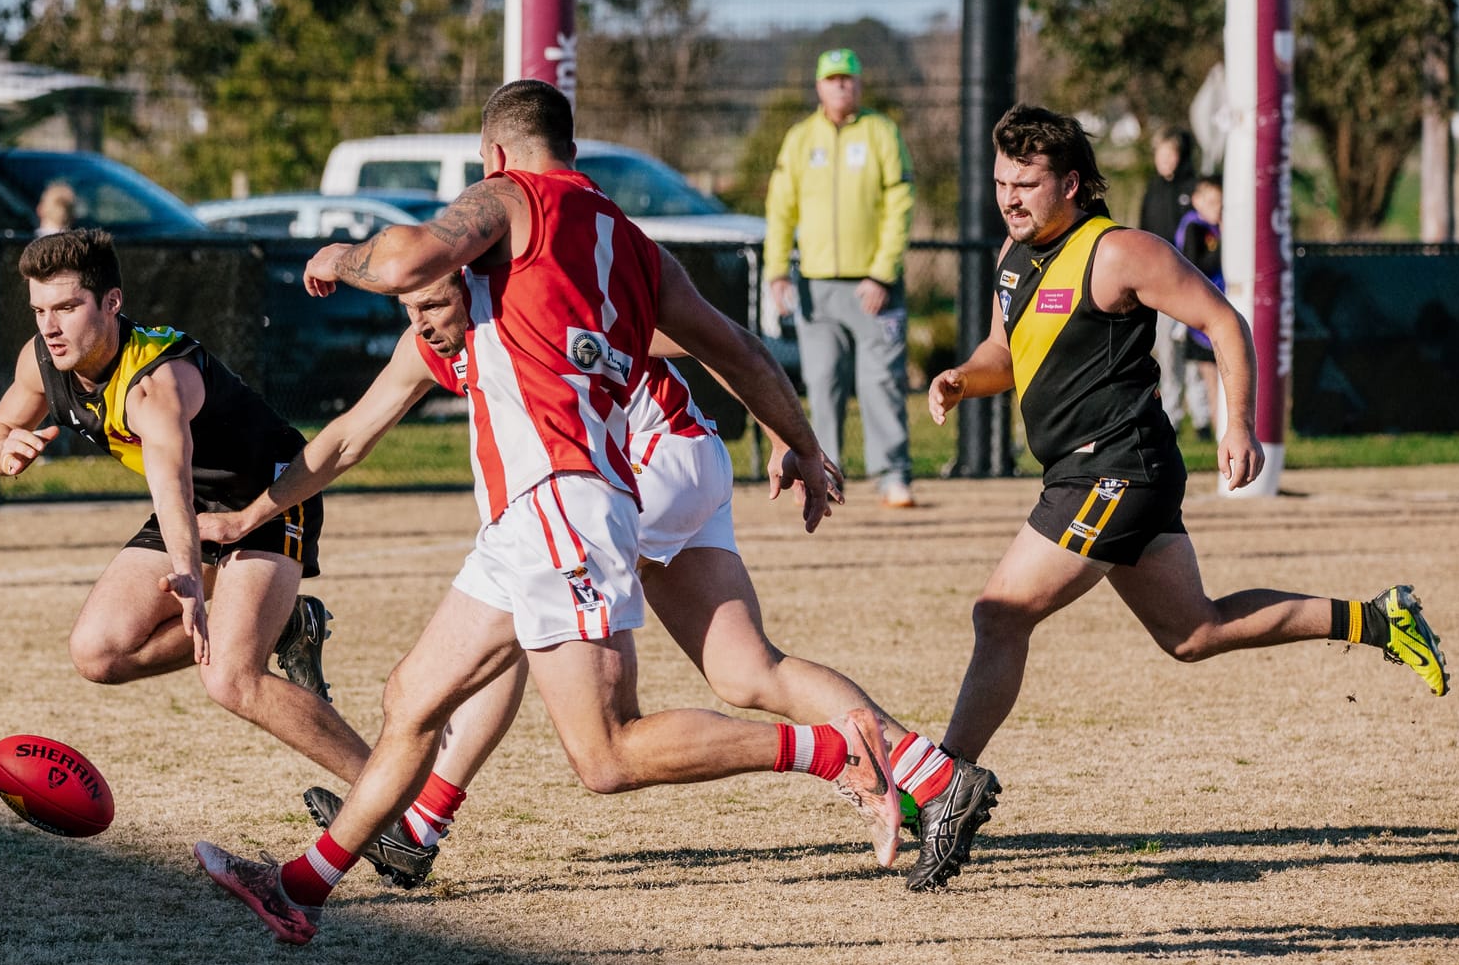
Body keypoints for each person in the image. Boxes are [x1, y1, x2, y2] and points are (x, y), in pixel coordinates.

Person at [193, 80, 936, 945]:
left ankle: (831, 749)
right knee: (410, 699)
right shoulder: (629, 244)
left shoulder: (511, 198)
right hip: (535, 518)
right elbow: (735, 344)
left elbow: (398, 260)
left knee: (606, 754)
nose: (424, 310)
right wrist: (803, 444)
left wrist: (337, 257)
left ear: (494, 156)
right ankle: (299, 887)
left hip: (561, 500)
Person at [196, 270, 996, 897]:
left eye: (435, 300)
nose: (426, 321)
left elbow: (717, 342)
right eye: (410, 306)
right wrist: (248, 517)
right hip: (673, 465)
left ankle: (418, 822)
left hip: (653, 465)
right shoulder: (430, 338)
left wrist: (794, 435)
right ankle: (932, 772)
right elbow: (343, 439)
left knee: (532, 623)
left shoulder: (540, 296)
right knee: (748, 670)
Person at [922, 105, 1449, 858]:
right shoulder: (1013, 255)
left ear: (1070, 183)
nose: (1009, 196)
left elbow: (1224, 322)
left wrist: (1239, 424)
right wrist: (961, 379)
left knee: (999, 615)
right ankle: (1378, 619)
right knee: (1194, 631)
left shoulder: (1119, 252)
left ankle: (946, 786)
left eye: (1026, 182)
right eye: (1002, 181)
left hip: (1118, 468)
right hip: (1082, 471)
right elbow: (1005, 352)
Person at [0, 229, 491, 861]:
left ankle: (394, 806)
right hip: (200, 510)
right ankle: (283, 627)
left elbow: (168, 485)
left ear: (111, 302)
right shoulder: (43, 361)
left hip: (272, 495)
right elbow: (0, 423)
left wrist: (190, 583)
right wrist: (1, 450)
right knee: (97, 653)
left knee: (230, 679)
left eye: (66, 308)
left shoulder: (154, 383)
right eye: (39, 310)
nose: (49, 327)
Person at [764, 48, 917, 506]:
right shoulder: (799, 138)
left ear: (859, 83)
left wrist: (883, 273)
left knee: (881, 381)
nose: (840, 86)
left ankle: (893, 476)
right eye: (832, 79)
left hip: (873, 285)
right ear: (819, 86)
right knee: (823, 381)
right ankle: (824, 475)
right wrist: (777, 270)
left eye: (847, 78)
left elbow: (900, 203)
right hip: (814, 282)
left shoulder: (882, 132)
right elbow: (780, 207)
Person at [1136, 126, 1210, 436]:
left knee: (1195, 354)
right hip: (1160, 288)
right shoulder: (1152, 191)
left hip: (1191, 286)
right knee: (1168, 354)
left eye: (1171, 154)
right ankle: (1174, 417)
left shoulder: (1193, 190)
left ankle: (1203, 418)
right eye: (1161, 154)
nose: (1165, 160)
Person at [1173, 178, 1224, 437]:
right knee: (1213, 384)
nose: (1218, 208)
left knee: (1226, 384)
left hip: (1220, 312)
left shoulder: (1214, 228)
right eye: (1212, 202)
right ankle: (1220, 439)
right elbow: (1199, 266)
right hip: (1203, 318)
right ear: (1197, 201)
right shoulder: (1195, 228)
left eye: (1221, 203)